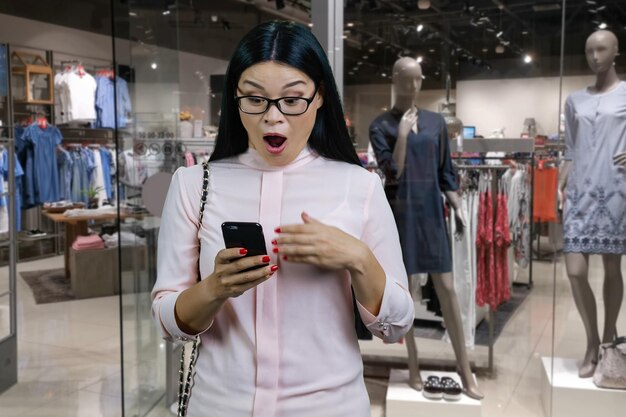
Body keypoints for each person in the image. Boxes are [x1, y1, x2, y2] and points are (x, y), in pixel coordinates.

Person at [151, 21, 414, 417]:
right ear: (235, 99)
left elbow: (395, 326)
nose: (273, 118)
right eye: (255, 100)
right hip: (220, 406)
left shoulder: (359, 186)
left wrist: (359, 259)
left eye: (292, 100)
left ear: (320, 96)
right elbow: (166, 321)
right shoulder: (194, 185)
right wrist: (215, 288)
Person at [369, 57, 484, 400]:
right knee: (404, 292)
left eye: (419, 79)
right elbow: (393, 174)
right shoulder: (381, 125)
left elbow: (446, 171)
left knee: (447, 288)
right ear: (395, 79)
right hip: (400, 215)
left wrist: (459, 205)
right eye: (408, 79)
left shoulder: (435, 122)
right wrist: (402, 135)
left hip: (432, 213)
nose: (415, 86)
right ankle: (413, 362)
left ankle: (466, 369)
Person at [559, 29, 626, 378]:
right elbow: (570, 149)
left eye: (601, 49)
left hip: (615, 189)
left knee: (613, 268)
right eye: (589, 50)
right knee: (575, 271)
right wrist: (561, 181)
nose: (595, 56)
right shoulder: (574, 100)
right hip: (579, 193)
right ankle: (591, 340)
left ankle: (608, 340)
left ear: (615, 52)